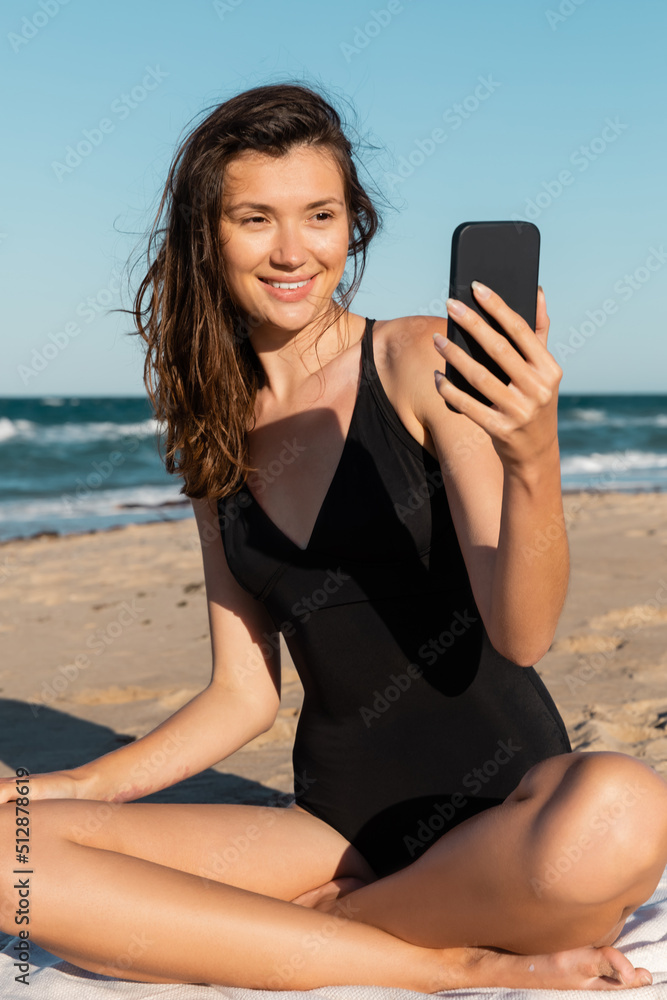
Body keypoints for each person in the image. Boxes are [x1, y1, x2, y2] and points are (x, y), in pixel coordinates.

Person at [1, 80, 666, 993]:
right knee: (12, 857)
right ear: (208, 235)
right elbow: (242, 694)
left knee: (624, 809)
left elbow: (522, 634)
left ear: (353, 222)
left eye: (319, 214)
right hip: (335, 829)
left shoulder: (417, 362)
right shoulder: (211, 425)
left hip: (512, 824)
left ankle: (317, 935)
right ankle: (444, 964)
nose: (291, 251)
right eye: (253, 219)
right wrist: (81, 786)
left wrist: (533, 455)